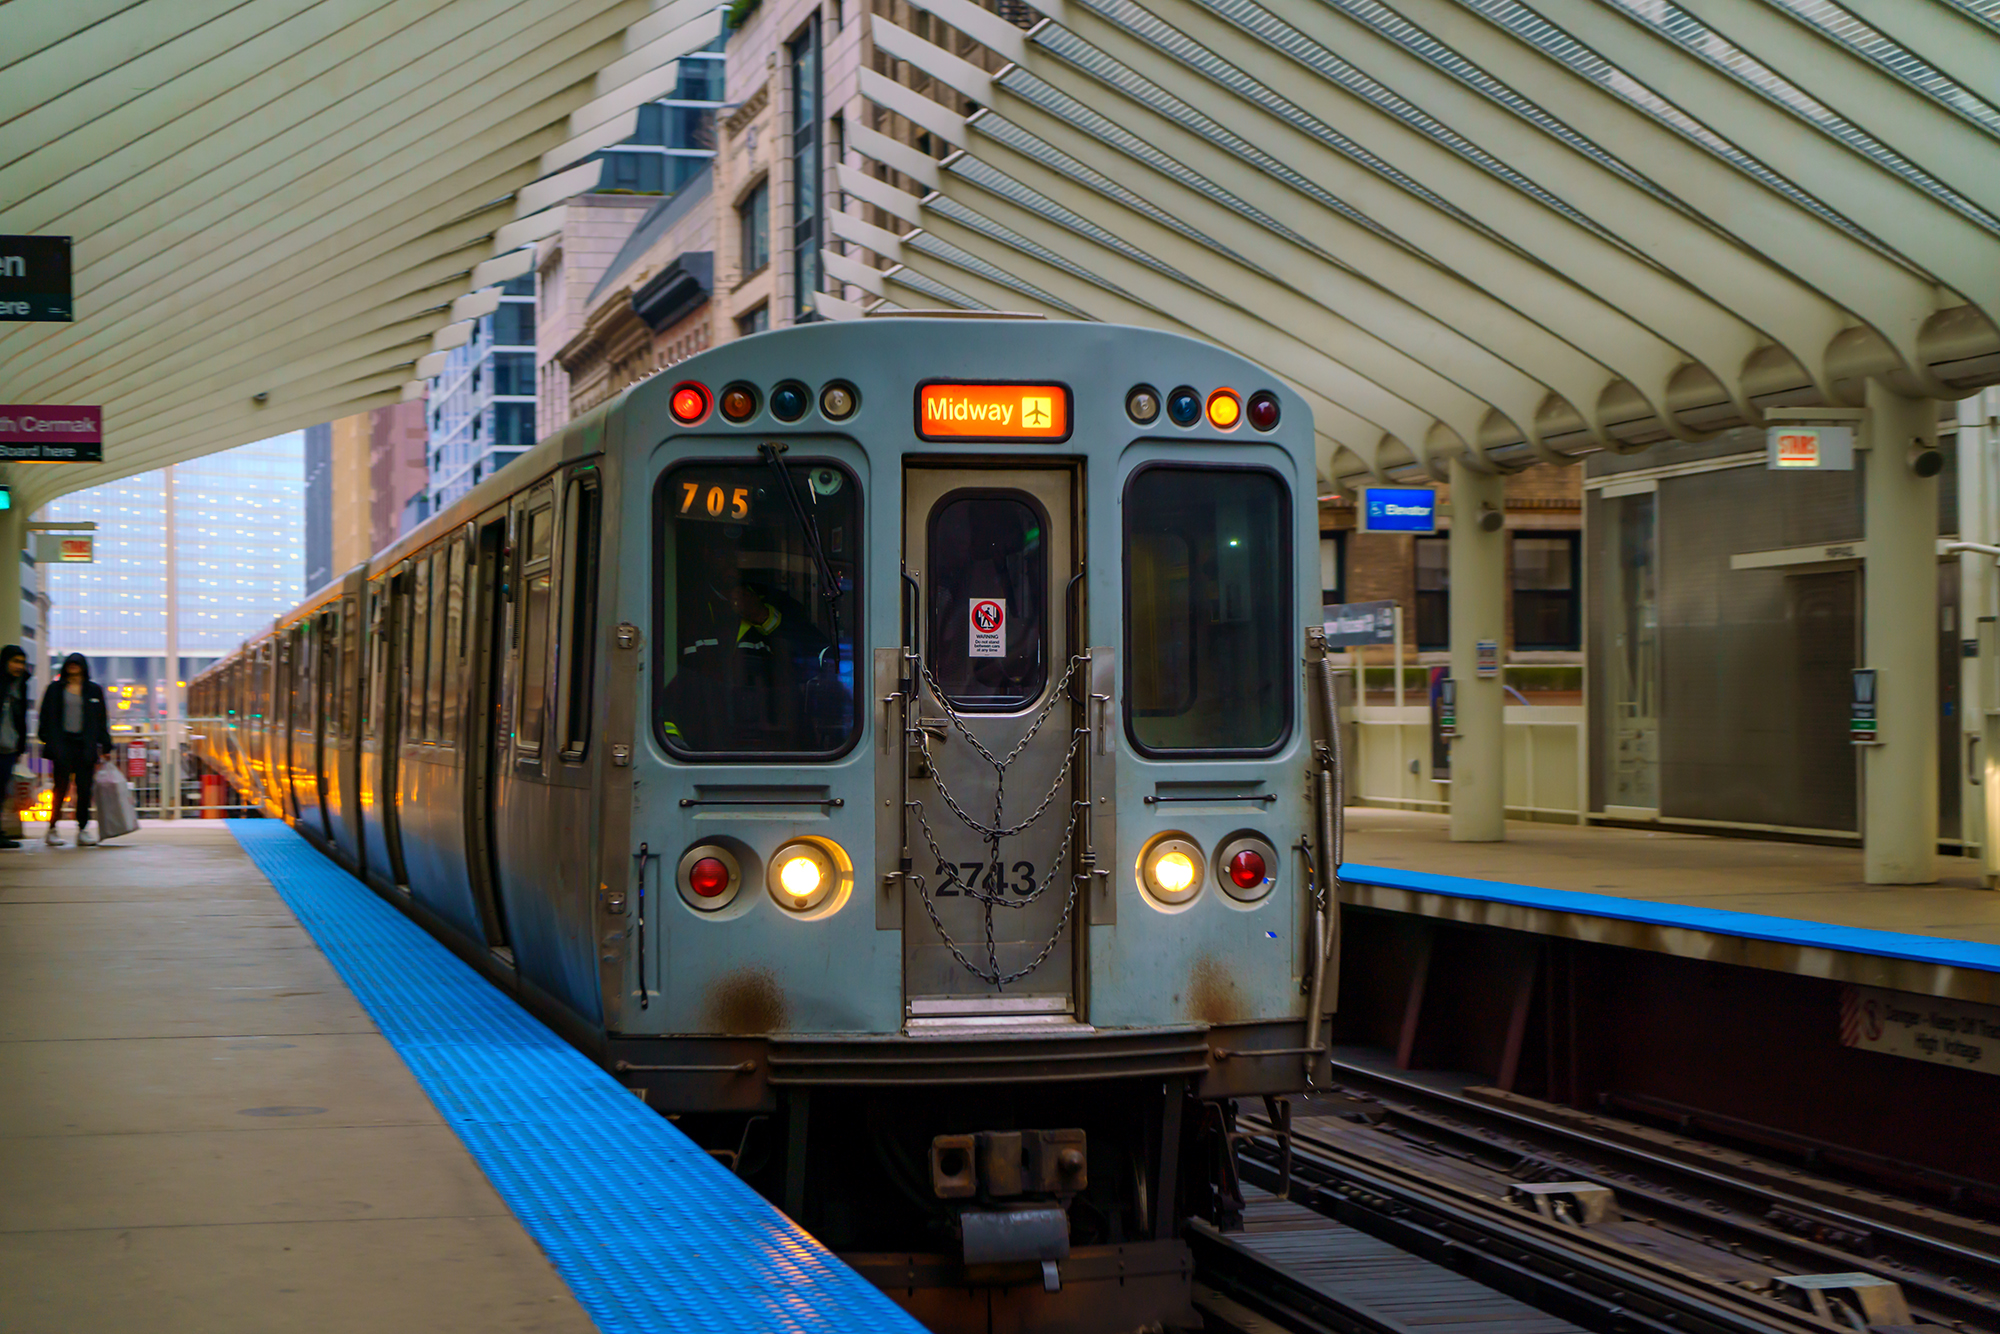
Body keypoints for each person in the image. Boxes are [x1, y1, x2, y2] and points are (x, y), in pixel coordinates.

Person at [37, 652, 113, 847]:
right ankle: (52, 828)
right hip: (62, 745)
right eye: (70, 664)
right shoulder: (54, 689)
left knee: (84, 789)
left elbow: (101, 720)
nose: (73, 666)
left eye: (76, 664)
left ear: (84, 667)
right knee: (60, 788)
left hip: (84, 746)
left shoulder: (93, 690)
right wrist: (47, 739)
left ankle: (83, 828)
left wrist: (105, 744)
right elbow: (44, 716)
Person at [0, 646, 29, 849]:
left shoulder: (22, 684)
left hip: (9, 746)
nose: (19, 666)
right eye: (15, 661)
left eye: (21, 662)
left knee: (1, 791)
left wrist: (20, 745)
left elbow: (21, 717)